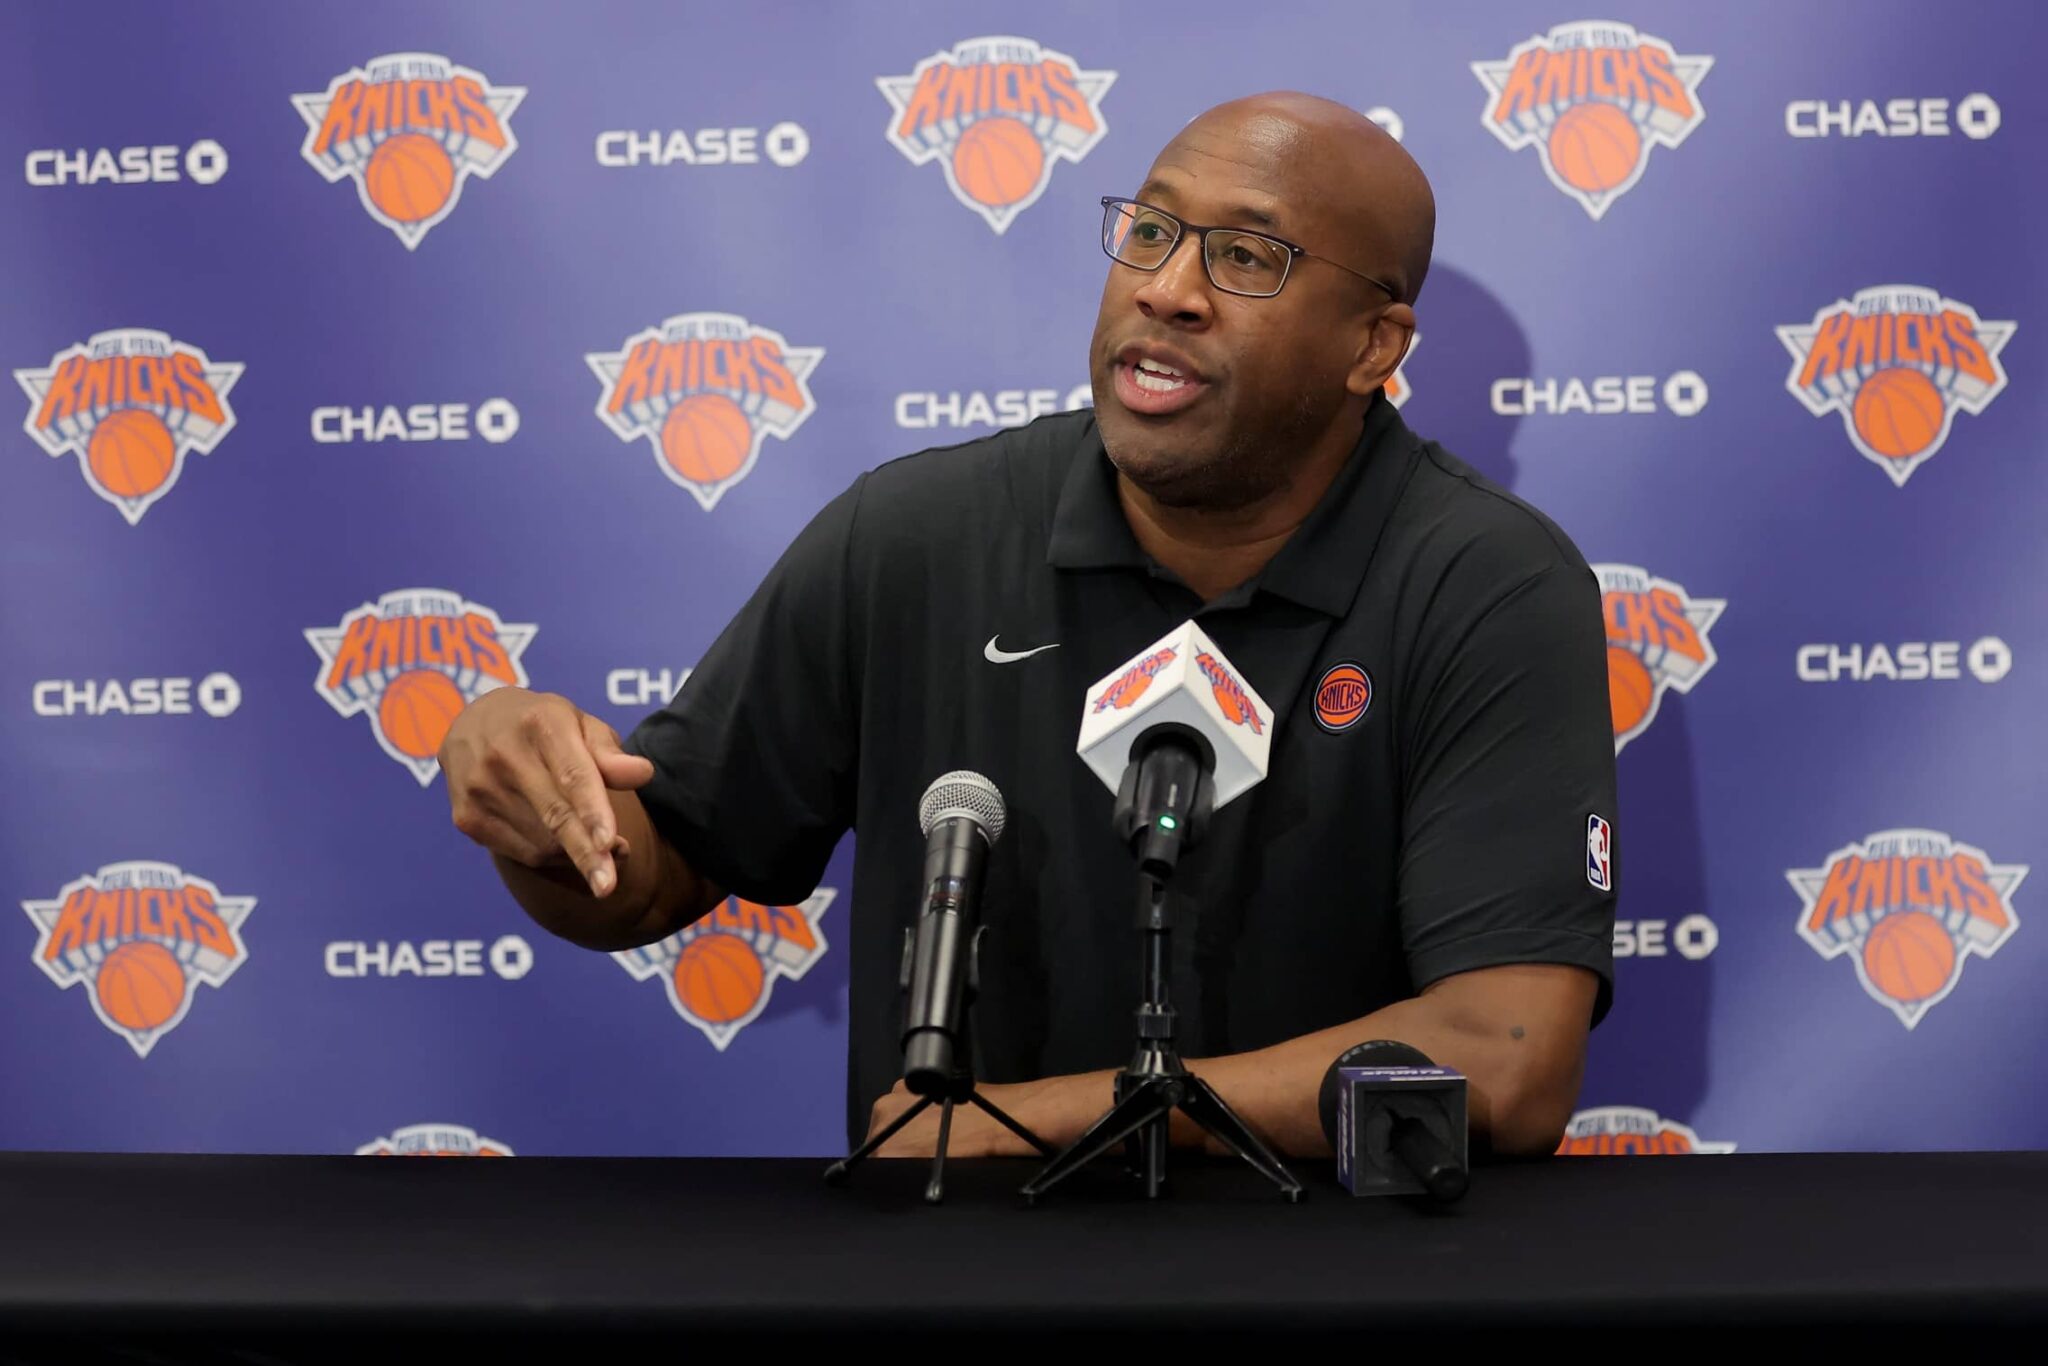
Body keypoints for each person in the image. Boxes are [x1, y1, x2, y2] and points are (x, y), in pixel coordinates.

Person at [438, 92, 1618, 1162]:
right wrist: (538, 804)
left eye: (1246, 257)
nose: (1166, 287)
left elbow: (1505, 1062)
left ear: (1373, 346)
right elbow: (644, 883)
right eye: (1148, 231)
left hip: (1337, 1287)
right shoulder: (912, 535)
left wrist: (1021, 1120)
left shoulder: (1487, 585)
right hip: (958, 1284)